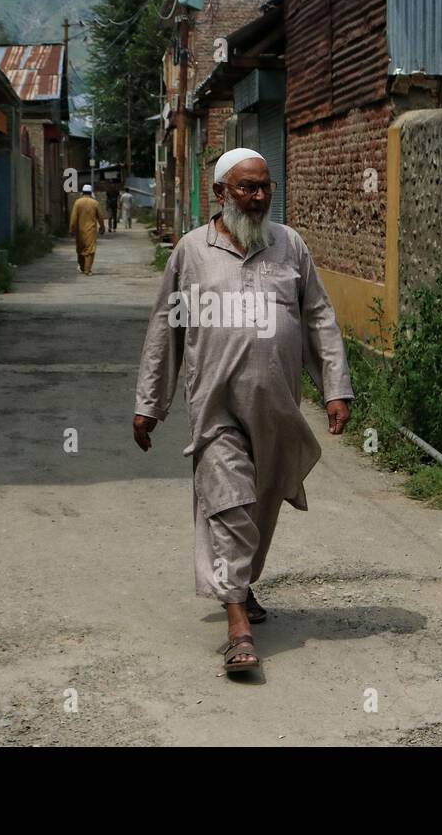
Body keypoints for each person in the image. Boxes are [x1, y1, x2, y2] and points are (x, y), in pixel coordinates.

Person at [133, 147, 352, 674]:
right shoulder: (190, 252)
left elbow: (318, 316)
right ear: (220, 193)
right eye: (245, 188)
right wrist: (149, 403)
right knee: (228, 502)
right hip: (215, 407)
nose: (257, 198)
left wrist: (334, 387)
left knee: (260, 504)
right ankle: (237, 627)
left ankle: (239, 584)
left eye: (265, 187)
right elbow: (167, 329)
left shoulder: (289, 246)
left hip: (278, 407)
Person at [69, 183, 105, 275]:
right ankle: (87, 270)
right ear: (90, 192)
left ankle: (81, 267)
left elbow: (73, 217)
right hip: (91, 230)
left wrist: (72, 229)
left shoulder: (77, 202)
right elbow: (100, 217)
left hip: (79, 230)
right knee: (90, 250)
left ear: (82, 192)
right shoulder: (95, 203)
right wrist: (102, 227)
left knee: (80, 249)